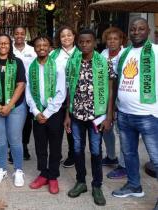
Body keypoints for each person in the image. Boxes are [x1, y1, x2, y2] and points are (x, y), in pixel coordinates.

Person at [64, 29, 116, 206]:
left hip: (97, 116)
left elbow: (110, 91)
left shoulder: (104, 62)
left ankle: (97, 185)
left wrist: (109, 115)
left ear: (94, 42)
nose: (84, 45)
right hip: (77, 115)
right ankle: (81, 182)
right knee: (77, 150)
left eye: (88, 41)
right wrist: (67, 115)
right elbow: (69, 90)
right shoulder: (73, 62)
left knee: (95, 151)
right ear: (78, 43)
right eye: (81, 42)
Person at [112, 18, 158, 209]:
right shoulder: (124, 53)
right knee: (129, 153)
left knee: (156, 159)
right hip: (124, 113)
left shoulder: (155, 52)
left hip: (148, 115)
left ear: (148, 31)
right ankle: (134, 185)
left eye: (141, 29)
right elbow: (115, 79)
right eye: (133, 29)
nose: (136, 32)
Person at [0, 34, 27, 187]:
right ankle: (1, 169)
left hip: (16, 107)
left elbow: (21, 85)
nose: (3, 45)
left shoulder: (17, 62)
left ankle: (18, 170)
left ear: (10, 45)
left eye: (6, 43)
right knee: (0, 141)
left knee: (15, 140)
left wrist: (9, 106)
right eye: (0, 43)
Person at [26, 35, 66, 194]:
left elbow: (61, 92)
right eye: (38, 45)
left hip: (54, 113)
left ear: (50, 47)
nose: (41, 48)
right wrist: (36, 111)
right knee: (40, 145)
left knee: (55, 145)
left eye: (45, 45)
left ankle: (53, 176)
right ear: (34, 48)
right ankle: (43, 174)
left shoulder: (58, 66)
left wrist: (47, 112)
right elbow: (27, 91)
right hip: (37, 113)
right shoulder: (30, 66)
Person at [51, 25, 79, 168]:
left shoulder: (80, 53)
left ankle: (72, 154)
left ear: (74, 36)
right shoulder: (54, 55)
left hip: (76, 97)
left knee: (71, 128)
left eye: (69, 35)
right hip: (57, 97)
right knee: (57, 128)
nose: (66, 38)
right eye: (63, 36)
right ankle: (57, 155)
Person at [101, 27, 127, 179]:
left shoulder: (126, 54)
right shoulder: (103, 54)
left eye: (115, 39)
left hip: (122, 97)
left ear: (121, 40)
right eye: (109, 39)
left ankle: (124, 165)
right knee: (106, 128)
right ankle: (111, 156)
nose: (112, 42)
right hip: (106, 97)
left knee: (123, 132)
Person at [12, 25, 37, 160]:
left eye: (22, 33)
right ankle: (13, 149)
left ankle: (24, 146)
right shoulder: (9, 49)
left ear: (25, 35)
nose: (19, 36)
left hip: (29, 90)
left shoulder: (32, 50)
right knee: (13, 119)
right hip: (12, 90)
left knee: (27, 120)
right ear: (13, 34)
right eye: (17, 33)